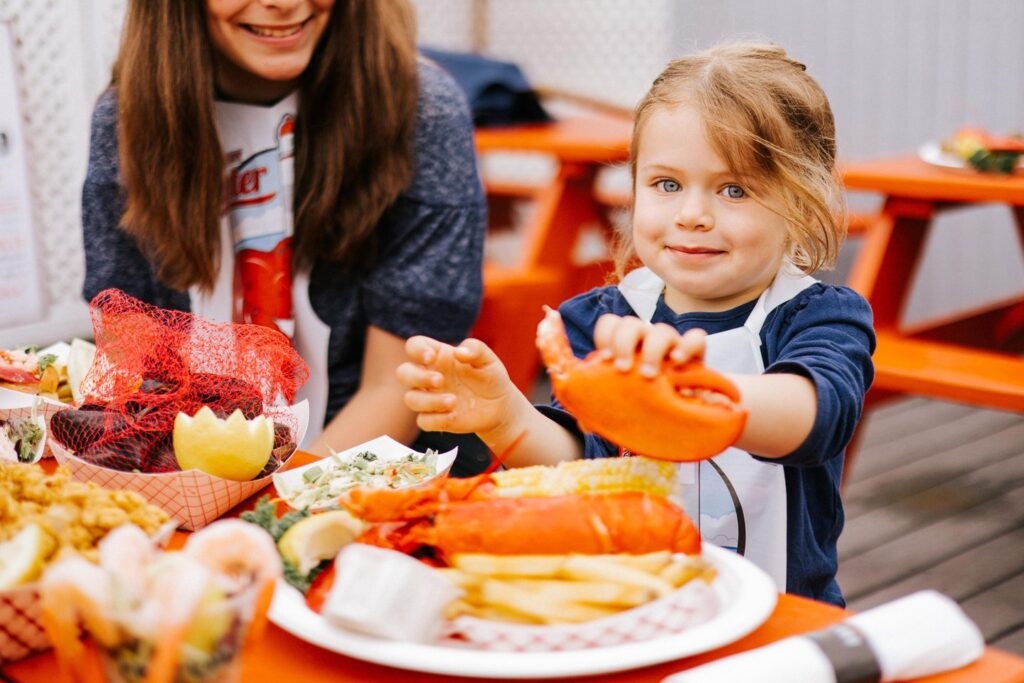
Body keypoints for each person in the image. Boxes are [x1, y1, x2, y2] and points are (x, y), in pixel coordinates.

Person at [396, 42, 875, 605]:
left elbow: (817, 418)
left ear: (801, 201)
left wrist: (691, 395)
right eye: (666, 184)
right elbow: (582, 465)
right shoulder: (599, 320)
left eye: (734, 189)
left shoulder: (819, 315)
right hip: (635, 609)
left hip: (777, 620)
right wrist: (507, 418)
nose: (691, 214)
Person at [81, 0, 487, 466]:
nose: (283, 4)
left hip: (363, 469)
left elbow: (397, 384)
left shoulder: (422, 110)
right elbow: (127, 364)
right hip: (178, 468)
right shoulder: (127, 118)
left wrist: (278, 506)